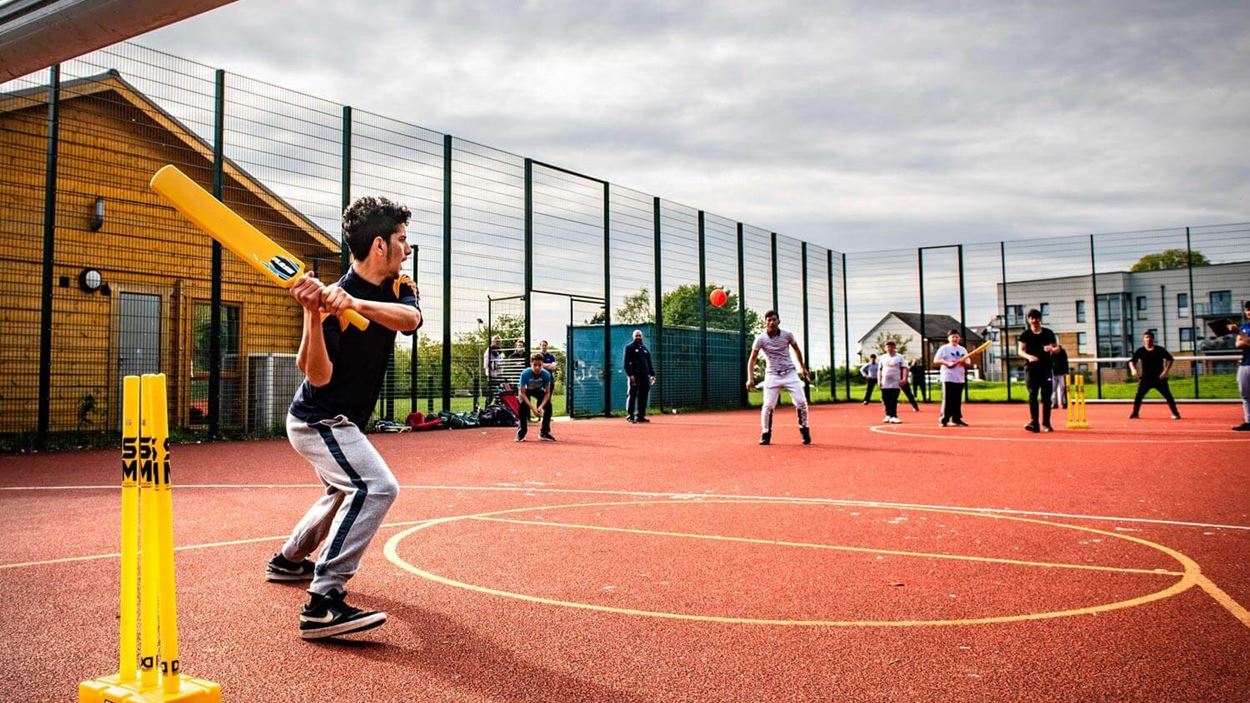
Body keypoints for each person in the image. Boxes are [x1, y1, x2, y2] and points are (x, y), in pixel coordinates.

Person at [269, 196, 421, 640]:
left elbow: (410, 321)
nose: (407, 249)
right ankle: (323, 602)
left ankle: (288, 560)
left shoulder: (399, 286)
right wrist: (313, 317)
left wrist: (352, 302)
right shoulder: (330, 302)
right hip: (319, 418)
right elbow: (317, 374)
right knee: (377, 487)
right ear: (380, 245)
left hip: (341, 420)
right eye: (402, 240)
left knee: (342, 491)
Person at [746, 310, 813, 445]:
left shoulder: (787, 335)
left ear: (779, 321)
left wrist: (803, 368)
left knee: (801, 402)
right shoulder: (760, 339)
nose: (771, 322)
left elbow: (797, 350)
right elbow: (752, 359)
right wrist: (750, 378)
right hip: (772, 374)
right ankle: (766, 433)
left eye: (774, 319)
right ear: (765, 322)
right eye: (769, 320)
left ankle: (804, 429)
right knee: (768, 405)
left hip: (790, 373)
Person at [1017, 308, 1059, 432]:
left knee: (1046, 397)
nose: (1034, 320)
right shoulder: (1025, 334)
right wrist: (1029, 357)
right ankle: (1034, 423)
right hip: (1031, 369)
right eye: (1032, 318)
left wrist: (1051, 349)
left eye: (1036, 318)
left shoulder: (1048, 333)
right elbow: (1020, 351)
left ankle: (1046, 423)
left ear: (1040, 319)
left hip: (1046, 368)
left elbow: (1057, 348)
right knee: (1032, 395)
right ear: (1029, 320)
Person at [1129, 330, 1181, 420]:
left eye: (1150, 337)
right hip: (1146, 379)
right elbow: (1132, 361)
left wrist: (1165, 371)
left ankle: (1176, 414)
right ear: (1144, 339)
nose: (1148, 339)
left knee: (1168, 396)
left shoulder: (1160, 350)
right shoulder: (1140, 351)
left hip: (1159, 379)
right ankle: (1135, 414)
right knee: (1138, 396)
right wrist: (1133, 369)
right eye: (1146, 337)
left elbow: (1170, 359)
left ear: (1153, 339)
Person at [933, 330, 971, 427]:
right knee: (947, 399)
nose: (955, 339)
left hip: (959, 378)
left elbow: (968, 363)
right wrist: (947, 363)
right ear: (949, 338)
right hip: (948, 377)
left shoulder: (963, 349)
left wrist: (963, 363)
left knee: (957, 400)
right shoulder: (944, 348)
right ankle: (944, 419)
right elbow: (936, 360)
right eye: (953, 337)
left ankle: (956, 418)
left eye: (957, 337)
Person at [517, 353, 555, 442]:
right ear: (531, 364)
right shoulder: (525, 373)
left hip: (538, 390)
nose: (537, 367)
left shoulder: (546, 375)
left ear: (543, 364)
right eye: (535, 365)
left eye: (540, 365)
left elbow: (547, 393)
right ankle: (521, 432)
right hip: (526, 391)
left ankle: (544, 432)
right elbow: (522, 393)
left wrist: (541, 406)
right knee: (523, 407)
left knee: (548, 406)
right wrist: (533, 409)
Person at [623, 329, 656, 423]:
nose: (638, 337)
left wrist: (652, 375)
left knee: (643, 395)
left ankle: (640, 416)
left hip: (644, 376)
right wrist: (630, 374)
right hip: (634, 376)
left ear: (642, 337)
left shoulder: (644, 349)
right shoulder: (629, 347)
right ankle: (630, 416)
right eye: (636, 336)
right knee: (632, 395)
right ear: (633, 337)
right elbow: (626, 363)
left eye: (639, 335)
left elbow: (649, 363)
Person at [877, 340, 907, 423]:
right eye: (888, 347)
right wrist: (879, 380)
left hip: (895, 382)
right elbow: (879, 370)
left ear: (894, 348)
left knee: (893, 398)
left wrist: (904, 378)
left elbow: (904, 368)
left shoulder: (900, 357)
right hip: (885, 381)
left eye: (891, 346)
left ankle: (894, 415)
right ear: (885, 348)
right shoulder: (882, 357)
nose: (890, 348)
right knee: (886, 398)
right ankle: (888, 415)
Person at [1234, 300, 1250, 431]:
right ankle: (1248, 420)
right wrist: (1244, 336)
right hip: (1245, 363)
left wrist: (1240, 334)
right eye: (1247, 310)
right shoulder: (1244, 326)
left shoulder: (1241, 329)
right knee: (1244, 393)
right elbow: (1238, 344)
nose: (1249, 312)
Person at [483, 335, 503, 403]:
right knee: (490, 395)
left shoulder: (500, 352)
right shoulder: (488, 351)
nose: (498, 343)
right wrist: (496, 366)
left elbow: (502, 361)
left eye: (499, 342)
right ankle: (487, 409)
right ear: (492, 341)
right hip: (491, 376)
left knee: (498, 395)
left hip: (499, 376)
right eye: (496, 341)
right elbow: (486, 365)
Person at [1051, 342, 1070, 409]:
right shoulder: (1050, 353)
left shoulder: (1062, 352)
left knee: (1063, 388)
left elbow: (1065, 362)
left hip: (1062, 373)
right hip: (1053, 373)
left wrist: (1066, 372)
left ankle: (1064, 403)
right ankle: (1054, 403)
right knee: (1053, 389)